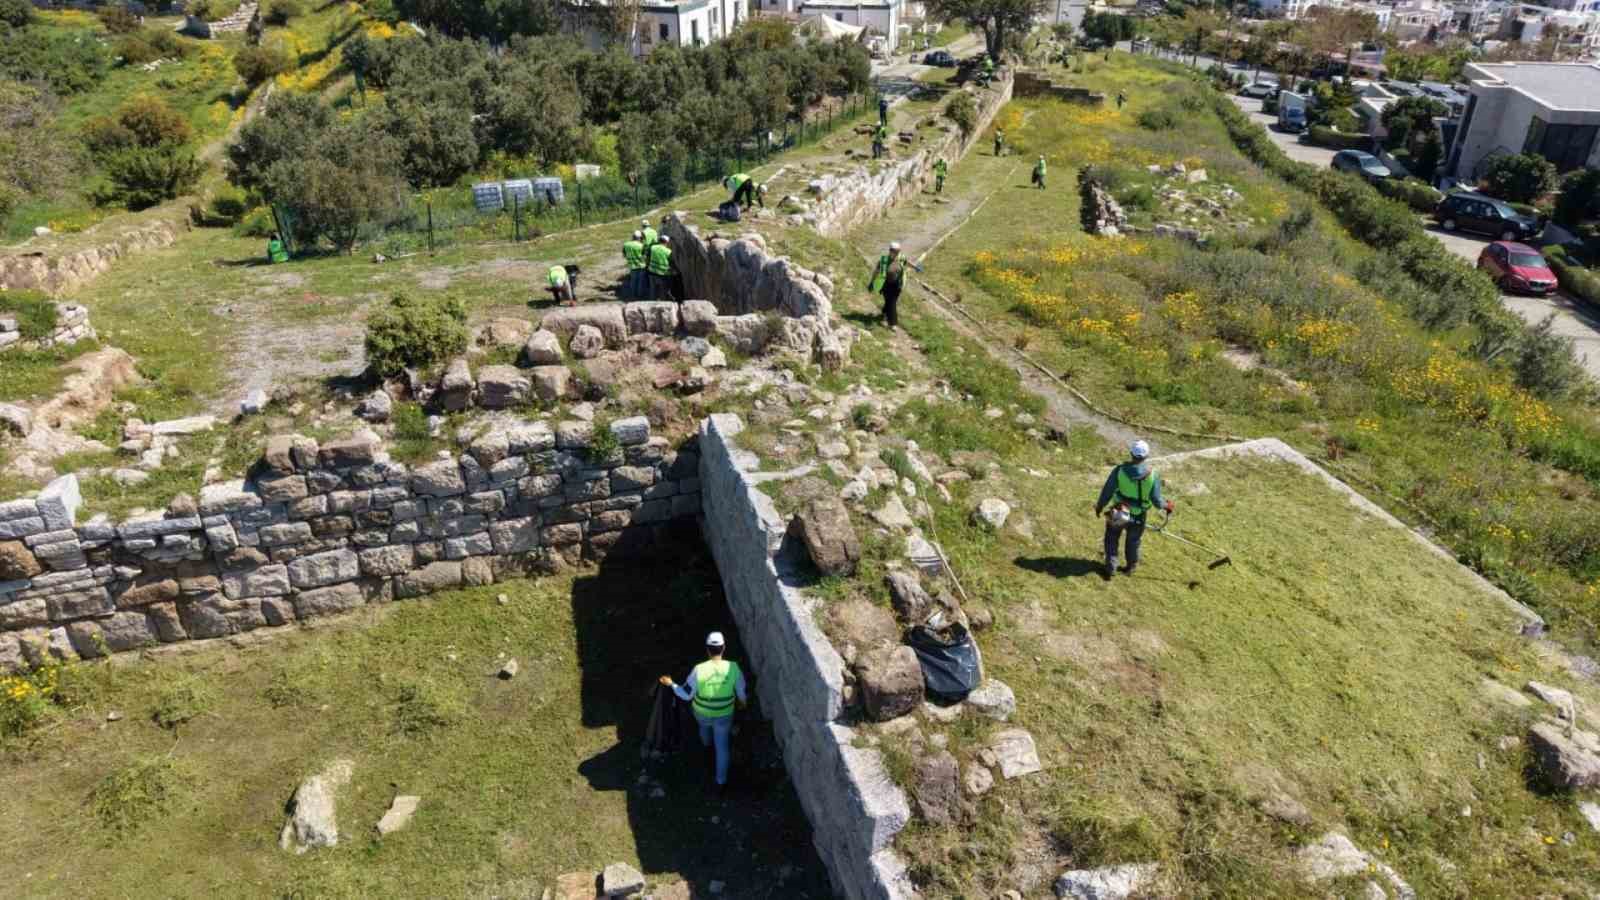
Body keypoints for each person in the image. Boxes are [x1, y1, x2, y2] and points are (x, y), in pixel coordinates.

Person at [660, 631, 747, 789]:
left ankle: (707, 746)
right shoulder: (734, 668)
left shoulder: (699, 669)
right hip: (724, 715)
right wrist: (742, 704)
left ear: (707, 649)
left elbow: (686, 695)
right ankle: (721, 782)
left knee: (704, 728)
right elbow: (741, 692)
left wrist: (671, 683)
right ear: (724, 648)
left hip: (702, 714)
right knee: (722, 748)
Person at [1093, 439, 1174, 580]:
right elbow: (1156, 501)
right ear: (1146, 456)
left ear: (1131, 453)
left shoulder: (1119, 470)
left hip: (1119, 511)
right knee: (1133, 541)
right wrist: (1167, 505)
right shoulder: (1153, 475)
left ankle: (1110, 567)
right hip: (1139, 515)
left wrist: (1100, 506)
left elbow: (1107, 491)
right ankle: (1130, 567)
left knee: (1111, 538)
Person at [867, 241, 919, 329]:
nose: (896, 253)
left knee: (890, 301)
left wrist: (915, 267)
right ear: (890, 250)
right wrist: (872, 282)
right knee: (892, 303)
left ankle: (884, 312)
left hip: (898, 284)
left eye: (898, 251)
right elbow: (876, 272)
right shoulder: (883, 260)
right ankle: (893, 323)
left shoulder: (901, 258)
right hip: (885, 284)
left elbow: (907, 263)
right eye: (894, 251)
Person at [648, 234, 674, 302]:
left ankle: (651, 302)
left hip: (651, 271)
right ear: (666, 242)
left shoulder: (653, 247)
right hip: (662, 273)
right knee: (662, 290)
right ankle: (662, 302)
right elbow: (671, 262)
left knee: (652, 289)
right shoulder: (668, 251)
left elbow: (648, 257)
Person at [622, 231, 647, 299]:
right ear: (639, 238)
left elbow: (624, 255)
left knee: (633, 281)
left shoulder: (626, 244)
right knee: (640, 282)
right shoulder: (641, 245)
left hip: (632, 266)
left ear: (633, 237)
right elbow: (644, 256)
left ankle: (632, 295)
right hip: (641, 266)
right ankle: (639, 296)